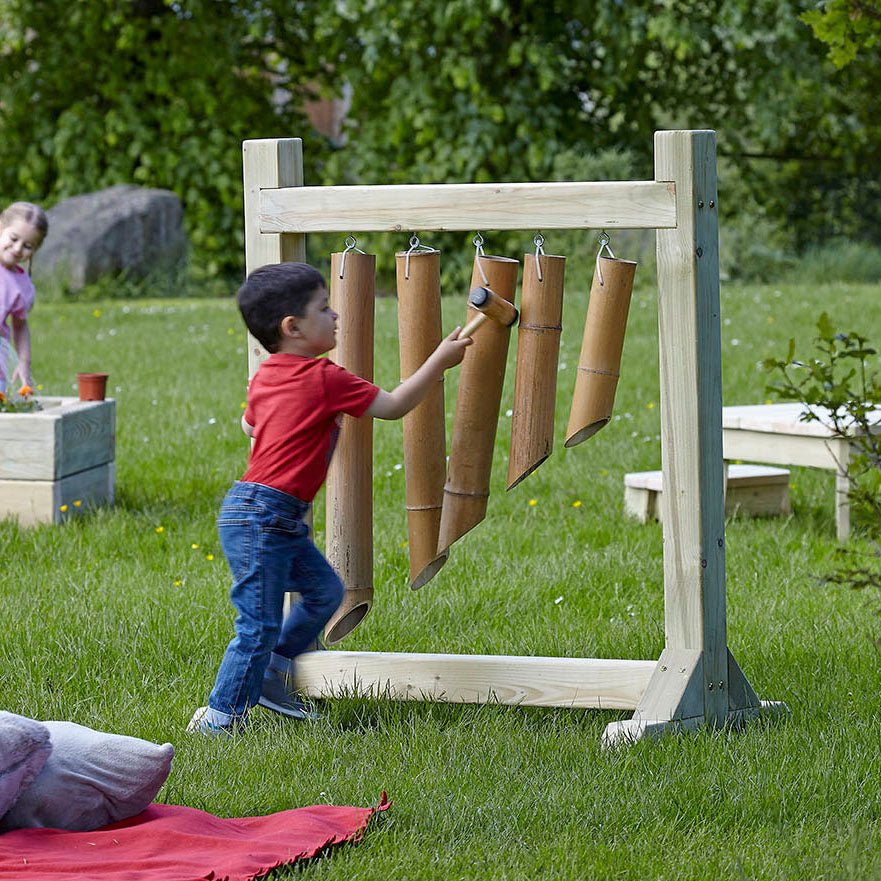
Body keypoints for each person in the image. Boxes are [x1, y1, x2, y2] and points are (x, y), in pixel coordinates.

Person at [189, 261, 472, 734]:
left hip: (263, 514)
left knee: (326, 592)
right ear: (293, 328)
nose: (336, 315)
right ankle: (219, 719)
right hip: (263, 516)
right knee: (257, 625)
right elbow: (394, 406)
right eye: (324, 308)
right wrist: (439, 360)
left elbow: (249, 426)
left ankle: (274, 672)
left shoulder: (266, 374)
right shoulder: (326, 378)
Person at [0, 202, 48, 395]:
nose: (18, 248)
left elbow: (20, 326)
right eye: (13, 238)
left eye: (27, 246)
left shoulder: (21, 286)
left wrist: (23, 363)